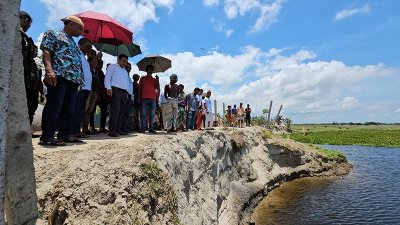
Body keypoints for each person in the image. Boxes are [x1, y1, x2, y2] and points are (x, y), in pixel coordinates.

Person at [39, 15, 84, 146]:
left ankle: (64, 135)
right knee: (55, 105)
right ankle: (47, 136)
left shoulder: (74, 44)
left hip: (73, 80)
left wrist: (79, 80)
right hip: (59, 75)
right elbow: (47, 51)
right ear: (70, 24)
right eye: (79, 28)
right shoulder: (53, 34)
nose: (80, 32)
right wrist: (49, 70)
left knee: (69, 109)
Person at [20, 11, 44, 133]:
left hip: (31, 86)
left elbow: (38, 78)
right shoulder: (18, 37)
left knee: (32, 107)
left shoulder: (36, 65)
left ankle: (26, 132)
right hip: (22, 83)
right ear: (26, 20)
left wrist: (41, 91)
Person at [71, 38, 96, 138]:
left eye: (90, 47)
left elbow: (90, 68)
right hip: (79, 87)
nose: (89, 49)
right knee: (76, 109)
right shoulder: (76, 53)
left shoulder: (84, 58)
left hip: (86, 88)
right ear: (80, 44)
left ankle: (76, 130)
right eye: (87, 46)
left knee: (81, 110)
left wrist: (96, 58)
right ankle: (72, 130)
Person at [104, 54, 130, 137]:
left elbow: (126, 83)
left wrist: (127, 92)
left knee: (121, 112)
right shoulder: (112, 66)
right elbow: (107, 78)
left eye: (126, 61)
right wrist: (108, 88)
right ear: (118, 60)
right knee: (115, 111)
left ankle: (118, 129)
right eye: (123, 60)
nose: (125, 63)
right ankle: (111, 130)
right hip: (115, 91)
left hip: (124, 92)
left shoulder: (125, 71)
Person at [82, 49, 102, 135]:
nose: (93, 55)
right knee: (84, 109)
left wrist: (97, 93)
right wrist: (97, 57)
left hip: (94, 91)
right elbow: (89, 66)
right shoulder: (86, 63)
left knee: (90, 111)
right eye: (91, 54)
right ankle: (79, 129)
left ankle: (86, 129)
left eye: (94, 54)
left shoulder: (96, 69)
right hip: (87, 90)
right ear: (87, 54)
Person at [139, 64, 160, 133]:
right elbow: (139, 88)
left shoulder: (154, 80)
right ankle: (143, 128)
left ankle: (151, 128)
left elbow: (157, 88)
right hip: (144, 98)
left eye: (151, 69)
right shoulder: (142, 78)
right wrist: (139, 97)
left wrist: (158, 80)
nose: (150, 71)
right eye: (149, 69)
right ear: (146, 70)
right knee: (143, 114)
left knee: (152, 114)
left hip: (153, 98)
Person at [90, 59, 109, 133]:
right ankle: (91, 127)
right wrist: (97, 93)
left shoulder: (101, 72)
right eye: (99, 63)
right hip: (95, 93)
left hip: (103, 95)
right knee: (92, 111)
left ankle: (102, 127)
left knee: (104, 111)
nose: (100, 65)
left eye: (101, 64)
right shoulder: (93, 71)